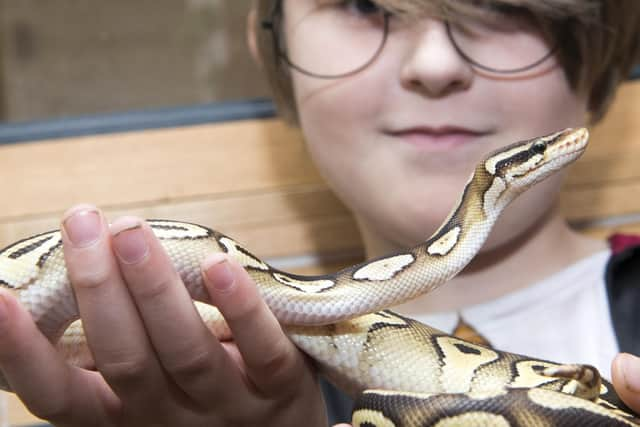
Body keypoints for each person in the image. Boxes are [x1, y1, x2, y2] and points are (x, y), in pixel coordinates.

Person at [0, 0, 639, 426]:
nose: (437, 66)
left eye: (502, 1)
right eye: (362, 2)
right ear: (268, 40)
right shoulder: (236, 362)